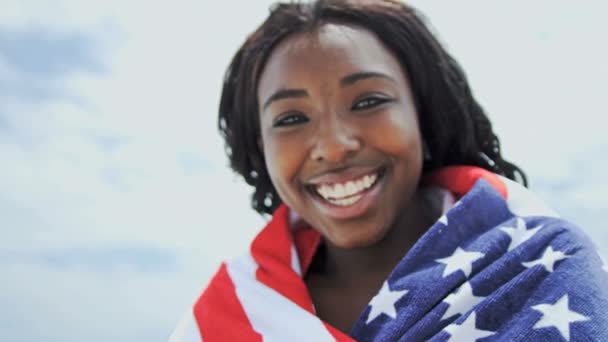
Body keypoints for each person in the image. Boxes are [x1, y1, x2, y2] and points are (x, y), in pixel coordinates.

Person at [170, 1, 608, 341]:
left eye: (367, 102)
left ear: (423, 113)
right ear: (259, 148)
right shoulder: (226, 316)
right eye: (290, 119)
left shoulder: (541, 263)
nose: (333, 146)